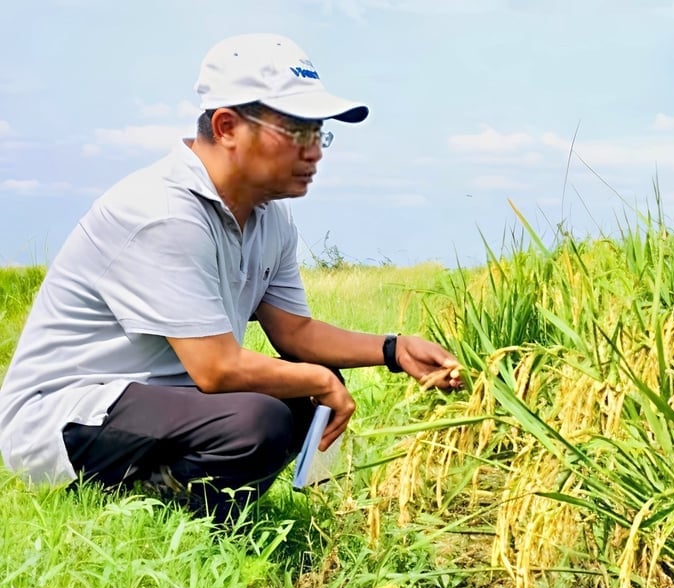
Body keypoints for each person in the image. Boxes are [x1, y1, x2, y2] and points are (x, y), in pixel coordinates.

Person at [0, 33, 462, 522]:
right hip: (67, 415)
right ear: (227, 127)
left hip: (163, 404)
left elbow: (295, 333)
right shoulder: (164, 212)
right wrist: (320, 380)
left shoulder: (269, 216)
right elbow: (216, 369)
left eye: (319, 134)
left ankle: (175, 506)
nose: (315, 153)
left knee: (301, 393)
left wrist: (394, 349)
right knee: (256, 419)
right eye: (298, 132)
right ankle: (148, 513)